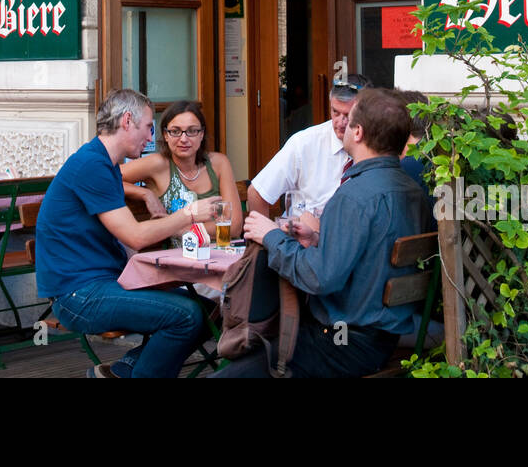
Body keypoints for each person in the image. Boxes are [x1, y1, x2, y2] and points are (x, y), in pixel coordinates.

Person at [215, 87, 433, 378]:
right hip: (382, 335)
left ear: (358, 133)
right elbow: (374, 253)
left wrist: (272, 235)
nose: (340, 125)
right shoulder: (410, 188)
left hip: (341, 340)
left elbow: (320, 278)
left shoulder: (355, 195)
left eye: (349, 119)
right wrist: (320, 239)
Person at [36, 88, 220, 378]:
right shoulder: (92, 164)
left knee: (209, 308)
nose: (150, 137)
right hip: (77, 294)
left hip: (102, 282)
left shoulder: (105, 164)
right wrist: (190, 214)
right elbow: (133, 236)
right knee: (186, 316)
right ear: (126, 121)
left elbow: (126, 236)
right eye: (148, 127)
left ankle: (123, 370)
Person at [247, 73, 372, 217]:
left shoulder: (376, 146)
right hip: (300, 236)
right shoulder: (304, 143)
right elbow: (257, 193)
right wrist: (267, 237)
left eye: (347, 115)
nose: (340, 122)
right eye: (335, 112)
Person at [121, 100, 242, 242]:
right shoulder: (157, 164)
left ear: (201, 134)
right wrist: (144, 193)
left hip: (222, 256)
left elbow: (234, 226)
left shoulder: (219, 163)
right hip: (177, 259)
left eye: (192, 131)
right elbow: (104, 175)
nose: (183, 139)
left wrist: (178, 229)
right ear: (166, 135)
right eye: (175, 131)